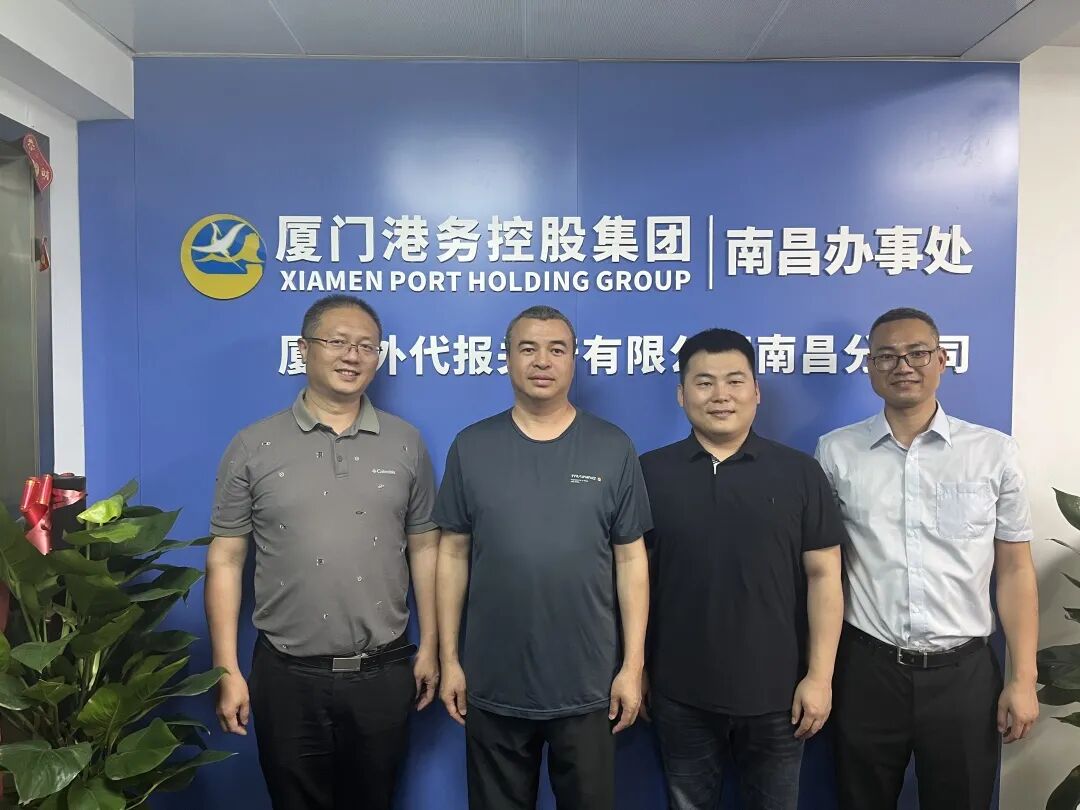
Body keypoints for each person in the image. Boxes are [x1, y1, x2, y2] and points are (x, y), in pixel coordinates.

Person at [204, 294, 440, 810]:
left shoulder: (406, 443)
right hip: (287, 676)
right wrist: (226, 669)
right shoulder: (254, 445)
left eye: (366, 346)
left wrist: (432, 646)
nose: (352, 356)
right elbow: (224, 560)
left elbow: (426, 548)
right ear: (304, 349)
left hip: (383, 672)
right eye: (337, 341)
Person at [815, 307, 1039, 810]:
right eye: (887, 356)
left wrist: (1023, 679)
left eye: (917, 353)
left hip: (964, 675)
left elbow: (1015, 569)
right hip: (867, 670)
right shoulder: (835, 453)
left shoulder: (992, 453)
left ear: (941, 360)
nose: (903, 366)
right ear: (869, 367)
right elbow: (824, 571)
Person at [434, 304, 651, 810]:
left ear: (574, 360)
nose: (542, 361)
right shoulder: (472, 446)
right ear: (507, 358)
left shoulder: (612, 446)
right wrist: (450, 660)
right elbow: (453, 554)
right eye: (527, 348)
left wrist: (632, 666)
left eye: (557, 349)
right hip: (494, 680)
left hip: (589, 684)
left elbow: (631, 561)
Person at [641, 327, 845, 810]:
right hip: (679, 693)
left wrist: (819, 677)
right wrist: (637, 668)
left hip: (779, 696)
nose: (721, 395)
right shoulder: (648, 473)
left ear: (756, 391)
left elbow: (825, 576)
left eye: (735, 381)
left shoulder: (799, 472)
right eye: (704, 382)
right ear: (682, 394)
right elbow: (633, 579)